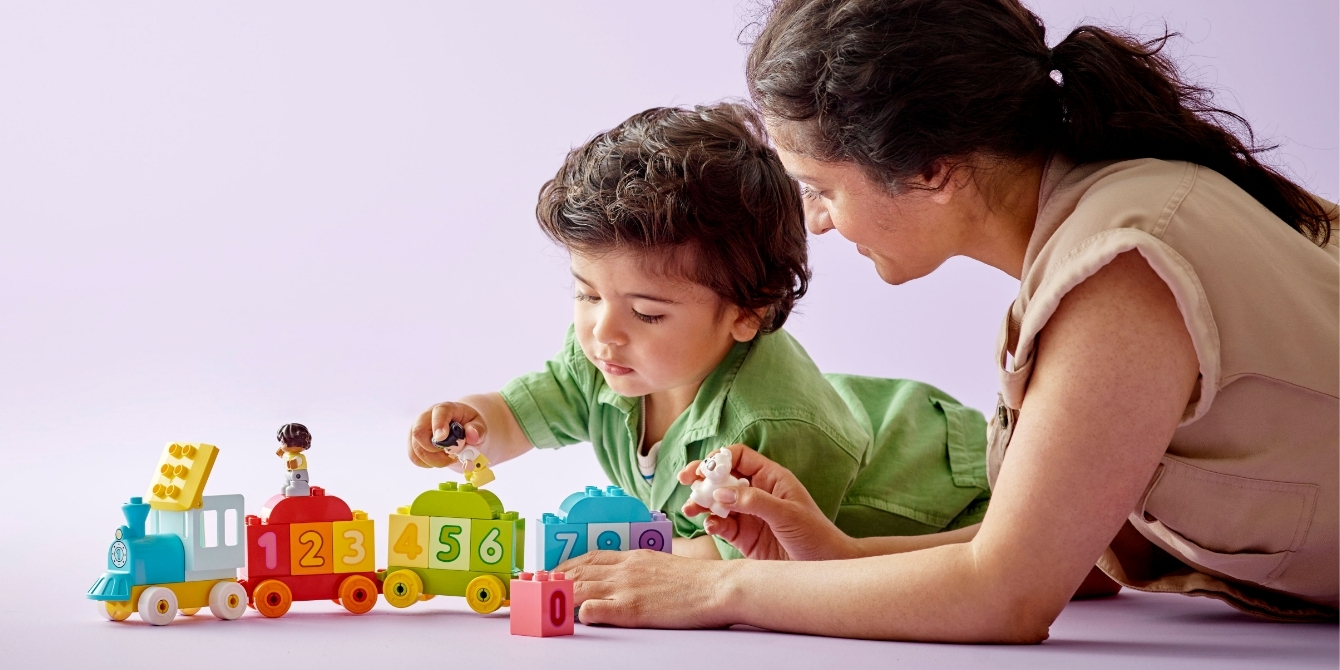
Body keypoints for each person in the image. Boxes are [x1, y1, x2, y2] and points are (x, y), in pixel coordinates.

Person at [559, 0, 1338, 640]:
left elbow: (1005, 595)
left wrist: (721, 587)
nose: (818, 223)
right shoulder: (1103, 221)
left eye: (822, 187)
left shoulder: (1120, 269)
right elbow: (1080, 547)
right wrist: (832, 555)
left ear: (932, 170)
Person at [406, 104, 992, 560]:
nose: (603, 331)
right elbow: (520, 414)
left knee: (1077, 570)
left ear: (746, 313)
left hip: (957, 492)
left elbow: (740, 558)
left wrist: (620, 558)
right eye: (586, 294)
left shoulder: (770, 426)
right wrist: (472, 424)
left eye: (648, 313)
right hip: (872, 414)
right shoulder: (605, 355)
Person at [276, 423, 312, 497]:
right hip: (289, 474)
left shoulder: (300, 457)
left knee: (296, 481)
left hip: (298, 475)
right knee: (288, 481)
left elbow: (296, 462)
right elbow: (281, 455)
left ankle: (299, 488)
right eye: (282, 442)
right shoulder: (287, 454)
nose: (282, 445)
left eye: (284, 442)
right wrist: (281, 453)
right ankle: (288, 484)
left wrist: (293, 463)